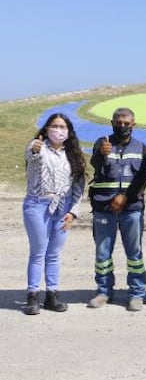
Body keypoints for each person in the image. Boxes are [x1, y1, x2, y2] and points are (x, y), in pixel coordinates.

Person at [87, 108, 146, 312]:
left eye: (126, 123)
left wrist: (125, 197)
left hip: (131, 208)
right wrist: (101, 154)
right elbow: (96, 166)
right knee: (103, 252)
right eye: (118, 122)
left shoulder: (140, 147)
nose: (122, 126)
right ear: (112, 122)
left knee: (134, 253)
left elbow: (143, 178)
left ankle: (136, 293)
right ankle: (104, 291)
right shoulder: (102, 142)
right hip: (103, 207)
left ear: (134, 124)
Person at [22, 113, 86, 315]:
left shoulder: (73, 154)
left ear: (69, 131)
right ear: (46, 129)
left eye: (63, 127)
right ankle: (33, 295)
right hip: (38, 205)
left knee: (54, 253)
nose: (58, 130)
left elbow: (78, 187)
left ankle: (52, 294)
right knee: (38, 251)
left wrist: (73, 212)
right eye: (54, 126)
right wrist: (34, 149)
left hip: (62, 208)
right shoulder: (38, 147)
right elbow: (30, 155)